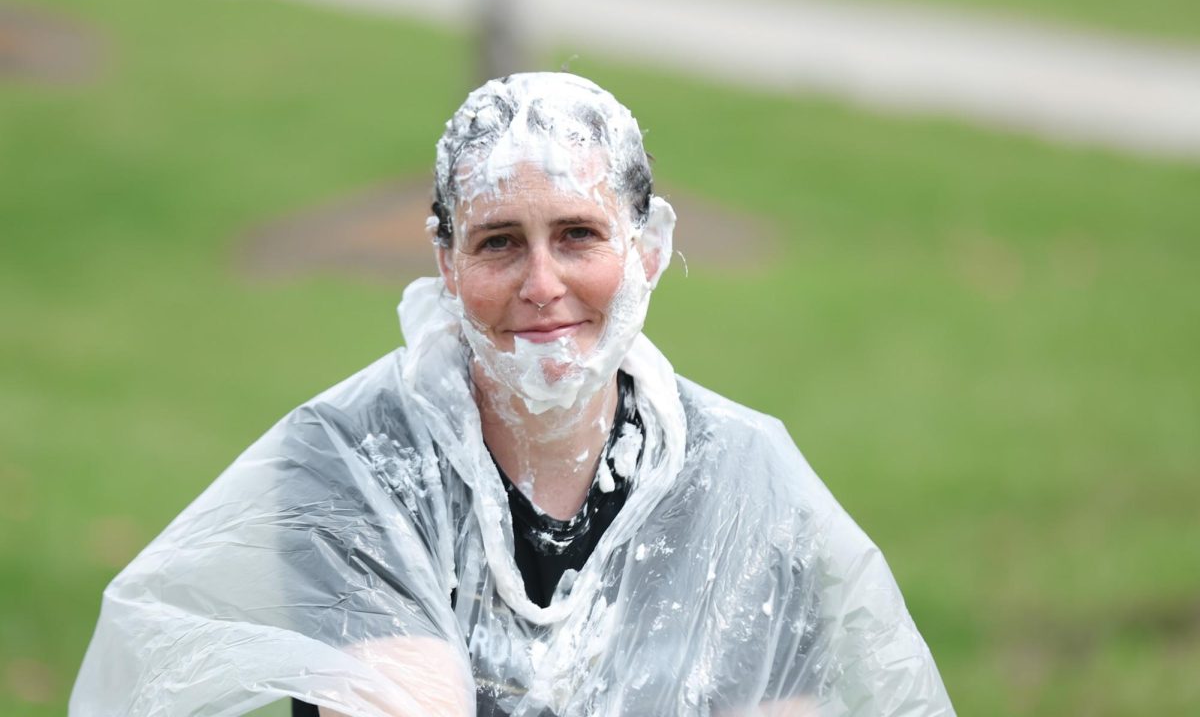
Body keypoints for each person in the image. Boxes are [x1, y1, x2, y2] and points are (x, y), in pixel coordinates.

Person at [71, 73, 954, 716]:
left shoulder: (740, 479)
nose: (542, 283)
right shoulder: (356, 465)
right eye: (500, 243)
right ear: (446, 265)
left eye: (578, 235)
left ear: (646, 251)